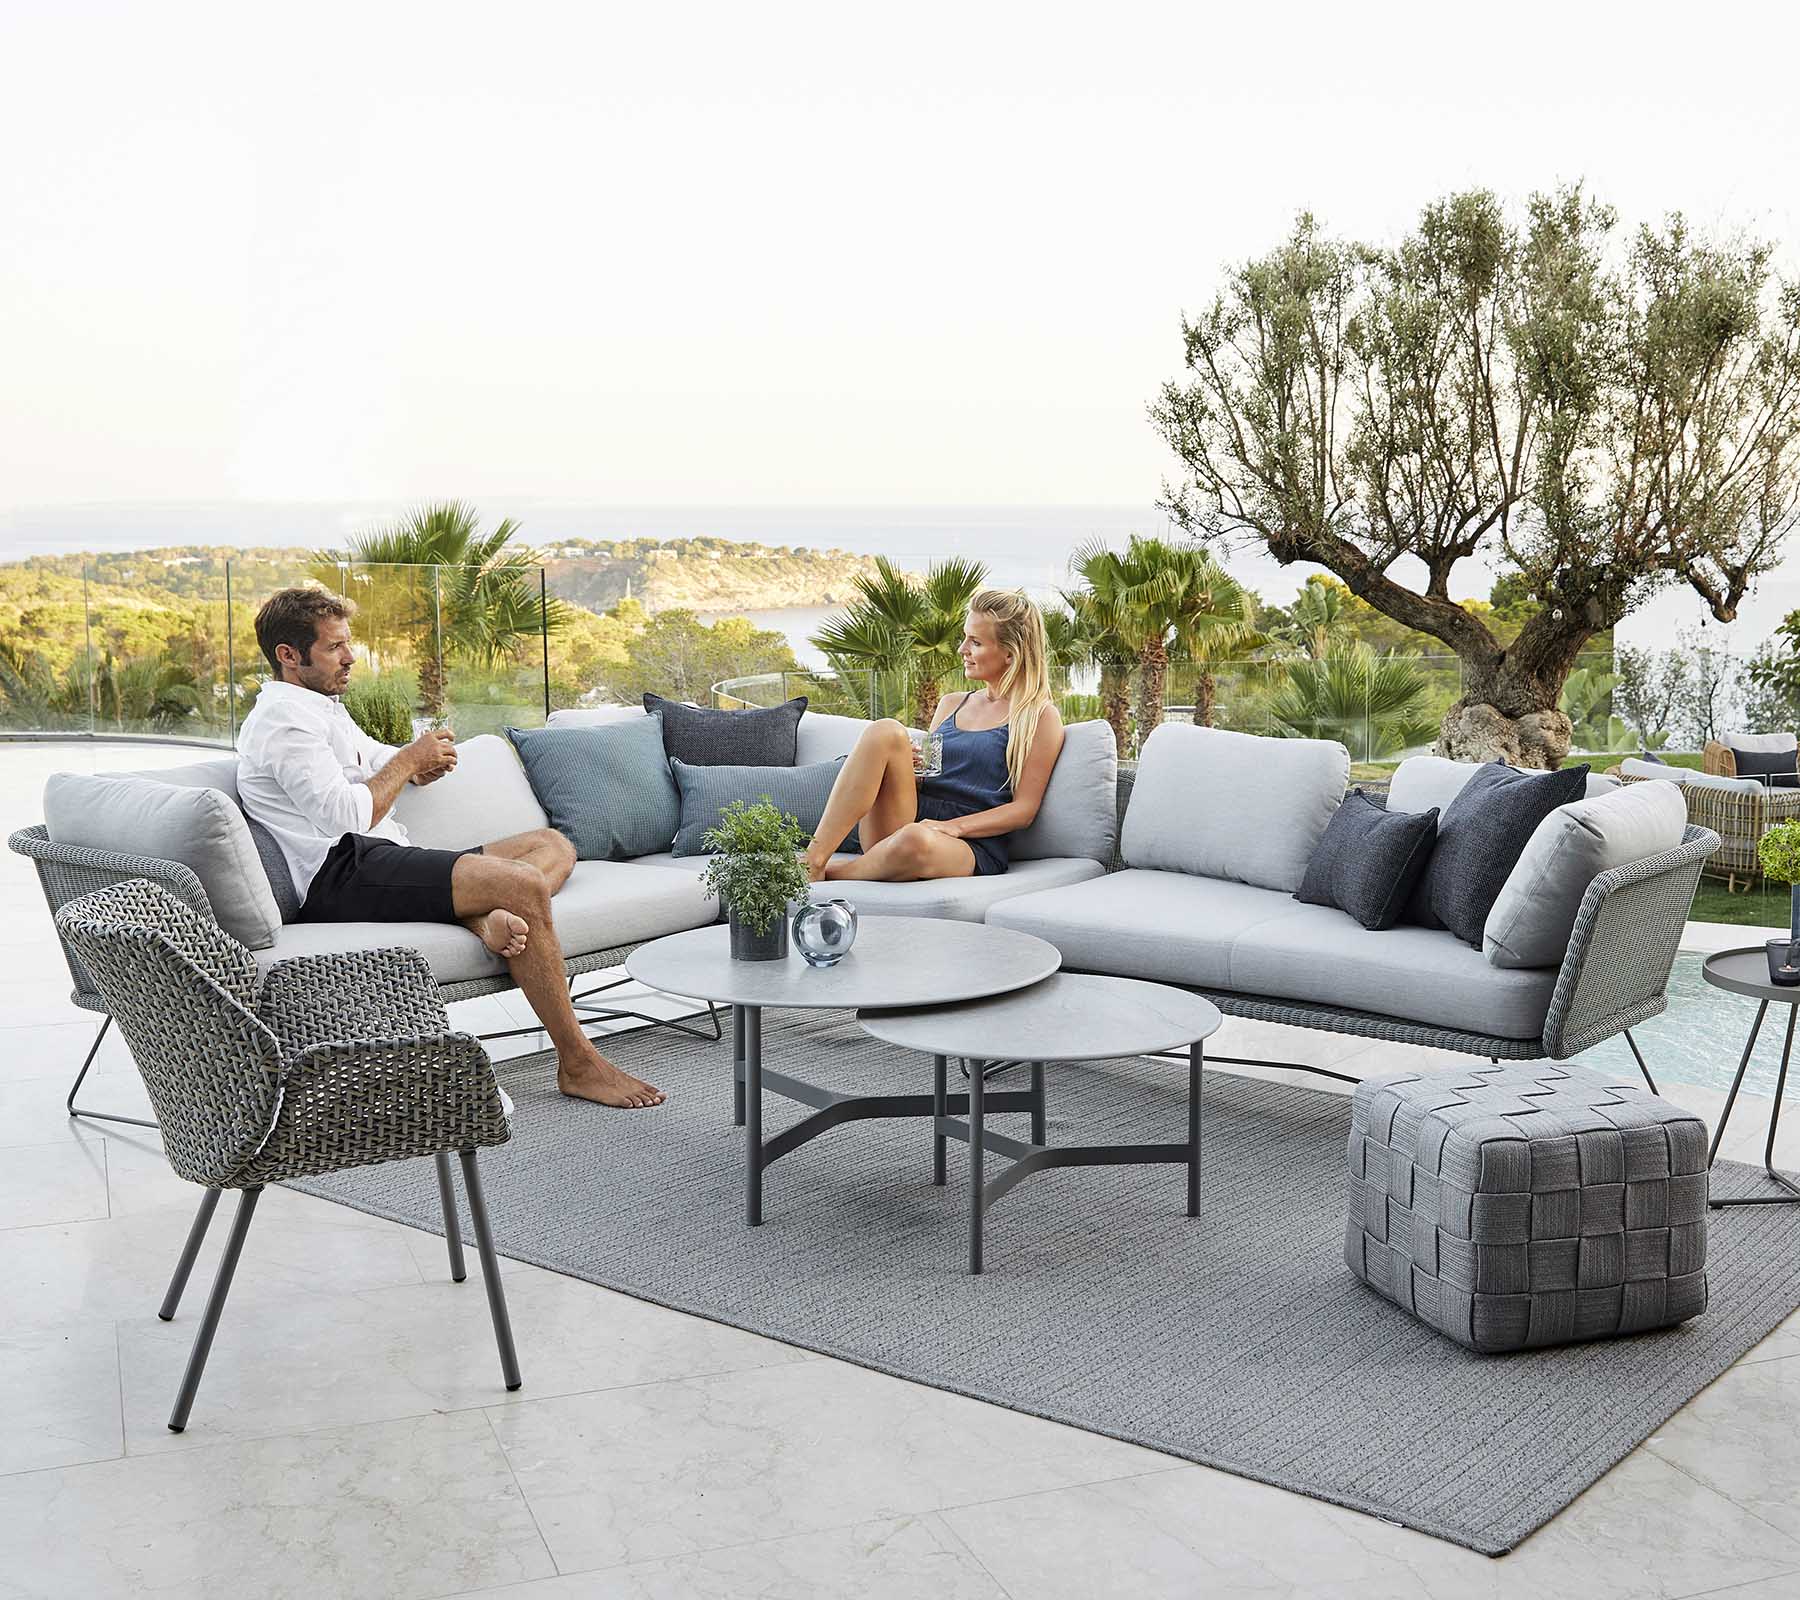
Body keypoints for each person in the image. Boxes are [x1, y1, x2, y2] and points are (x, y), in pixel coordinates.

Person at [236, 587, 664, 1110]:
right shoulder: (284, 721)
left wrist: (422, 761)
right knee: (525, 882)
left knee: (551, 844)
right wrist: (410, 761)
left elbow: (377, 761)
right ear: (289, 655)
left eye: (348, 644)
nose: (350, 658)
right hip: (337, 873)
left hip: (378, 855)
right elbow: (345, 814)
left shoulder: (321, 707)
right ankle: (577, 1061)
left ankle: (483, 918)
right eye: (334, 648)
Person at [803, 588, 1065, 883]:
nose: (962, 649)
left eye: (975, 642)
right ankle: (814, 858)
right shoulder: (952, 703)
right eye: (965, 637)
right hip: (906, 823)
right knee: (885, 730)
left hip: (964, 844)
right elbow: (925, 777)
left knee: (915, 840)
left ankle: (831, 874)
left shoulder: (1039, 717)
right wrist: (909, 771)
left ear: (1010, 653)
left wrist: (954, 827)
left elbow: (1023, 810)